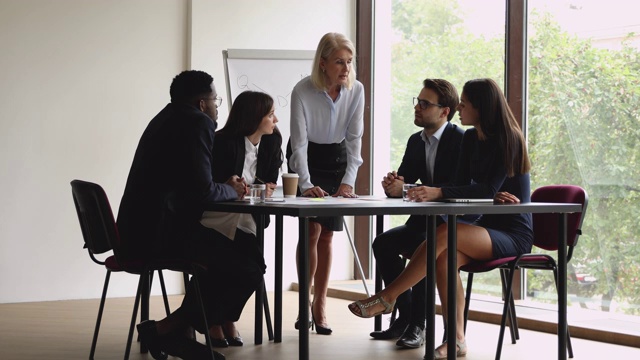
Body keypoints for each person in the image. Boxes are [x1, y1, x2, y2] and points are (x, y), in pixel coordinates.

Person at [348, 78, 532, 359]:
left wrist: (457, 192)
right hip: (483, 226)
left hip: (511, 232)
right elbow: (461, 185)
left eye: (465, 103)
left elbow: (484, 189)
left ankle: (388, 297)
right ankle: (456, 340)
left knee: (444, 234)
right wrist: (462, 193)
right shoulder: (470, 139)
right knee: (444, 257)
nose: (460, 107)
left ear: (482, 108)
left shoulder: (509, 140)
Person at [117, 70, 247, 360]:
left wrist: (221, 188)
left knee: (233, 256)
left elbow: (189, 185)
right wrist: (230, 189)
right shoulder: (198, 123)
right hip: (157, 237)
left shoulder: (164, 118)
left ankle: (173, 331)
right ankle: (168, 328)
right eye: (216, 100)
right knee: (247, 263)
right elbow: (202, 191)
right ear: (202, 104)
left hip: (138, 231)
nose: (217, 107)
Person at [369, 78, 464, 349]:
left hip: (450, 225)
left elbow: (458, 186)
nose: (417, 108)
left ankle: (419, 324)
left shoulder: (460, 140)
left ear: (445, 111)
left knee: (425, 247)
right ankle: (407, 317)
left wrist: (409, 187)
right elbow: (405, 183)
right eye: (417, 102)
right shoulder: (416, 140)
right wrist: (393, 186)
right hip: (422, 221)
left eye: (425, 104)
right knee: (383, 244)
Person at [286, 32, 365, 335]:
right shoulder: (302, 91)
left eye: (349, 62)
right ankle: (303, 303)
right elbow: (299, 145)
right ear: (322, 64)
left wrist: (348, 181)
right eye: (339, 62)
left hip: (336, 160)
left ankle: (320, 304)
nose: (346, 68)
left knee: (328, 235)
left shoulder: (356, 90)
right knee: (311, 230)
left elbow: (355, 139)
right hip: (306, 157)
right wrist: (305, 184)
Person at [200, 90, 283, 347]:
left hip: (248, 220)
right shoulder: (222, 141)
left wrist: (264, 187)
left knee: (256, 270)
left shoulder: (272, 141)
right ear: (254, 118)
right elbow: (210, 184)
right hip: (216, 218)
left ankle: (225, 318)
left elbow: (269, 179)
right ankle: (215, 321)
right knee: (230, 266)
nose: (276, 120)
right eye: (271, 115)